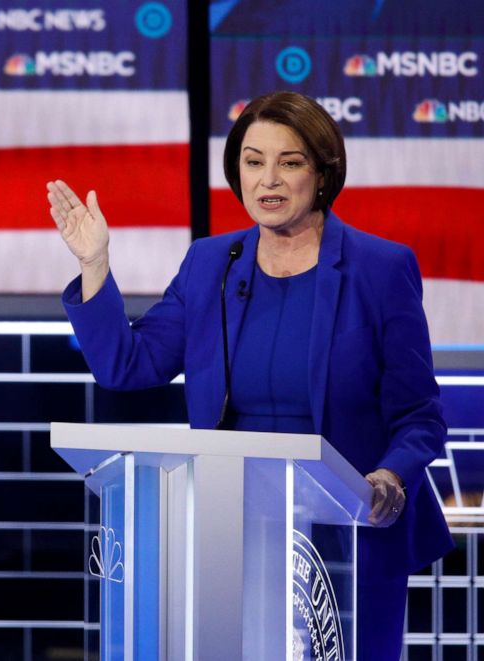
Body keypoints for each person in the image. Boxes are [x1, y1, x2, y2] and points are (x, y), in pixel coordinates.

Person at [48, 91, 452, 660]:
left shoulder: (379, 269)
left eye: (290, 162)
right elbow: (128, 365)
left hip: (352, 540)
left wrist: (389, 477)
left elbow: (420, 417)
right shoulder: (211, 263)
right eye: (253, 161)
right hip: (229, 529)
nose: (269, 179)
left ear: (323, 172)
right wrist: (94, 266)